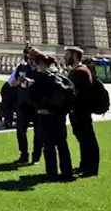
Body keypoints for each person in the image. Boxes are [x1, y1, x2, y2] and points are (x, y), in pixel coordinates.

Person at [27, 50, 74, 182]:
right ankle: (67, 172)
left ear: (41, 63)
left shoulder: (41, 78)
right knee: (62, 144)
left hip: (45, 115)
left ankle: (52, 173)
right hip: (60, 115)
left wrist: (29, 87)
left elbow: (33, 98)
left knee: (49, 146)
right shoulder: (60, 77)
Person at [64, 46, 99, 177]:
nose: (64, 57)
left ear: (73, 56)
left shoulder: (80, 72)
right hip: (79, 111)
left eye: (67, 54)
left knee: (87, 140)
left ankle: (91, 168)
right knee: (83, 140)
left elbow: (76, 94)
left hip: (81, 111)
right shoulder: (78, 71)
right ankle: (84, 166)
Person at [8, 46, 42, 165]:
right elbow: (11, 83)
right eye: (30, 54)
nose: (31, 57)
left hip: (38, 105)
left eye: (34, 54)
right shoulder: (21, 67)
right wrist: (19, 81)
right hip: (23, 104)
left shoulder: (42, 68)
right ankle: (24, 155)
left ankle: (36, 157)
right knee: (21, 131)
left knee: (39, 132)